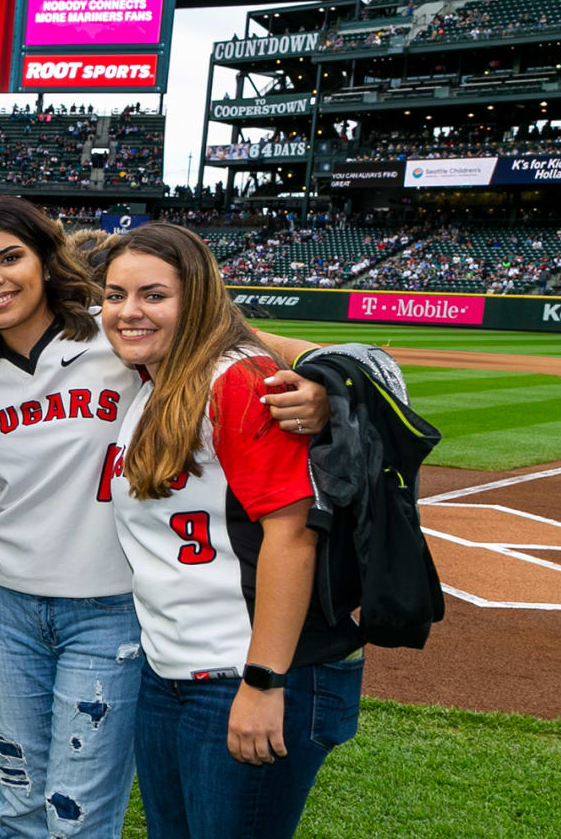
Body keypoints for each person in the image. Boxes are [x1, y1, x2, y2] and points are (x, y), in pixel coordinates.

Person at [0, 201, 327, 839]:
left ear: (46, 262)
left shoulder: (114, 333)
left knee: (78, 816)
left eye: (10, 258)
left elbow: (238, 341)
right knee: (17, 805)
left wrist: (321, 380)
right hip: (7, 606)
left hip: (110, 610)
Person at [93, 223, 363, 838]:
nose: (129, 311)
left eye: (154, 295)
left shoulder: (235, 380)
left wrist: (264, 683)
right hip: (173, 671)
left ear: (197, 300)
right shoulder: (156, 382)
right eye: (115, 295)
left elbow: (292, 537)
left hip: (249, 672)